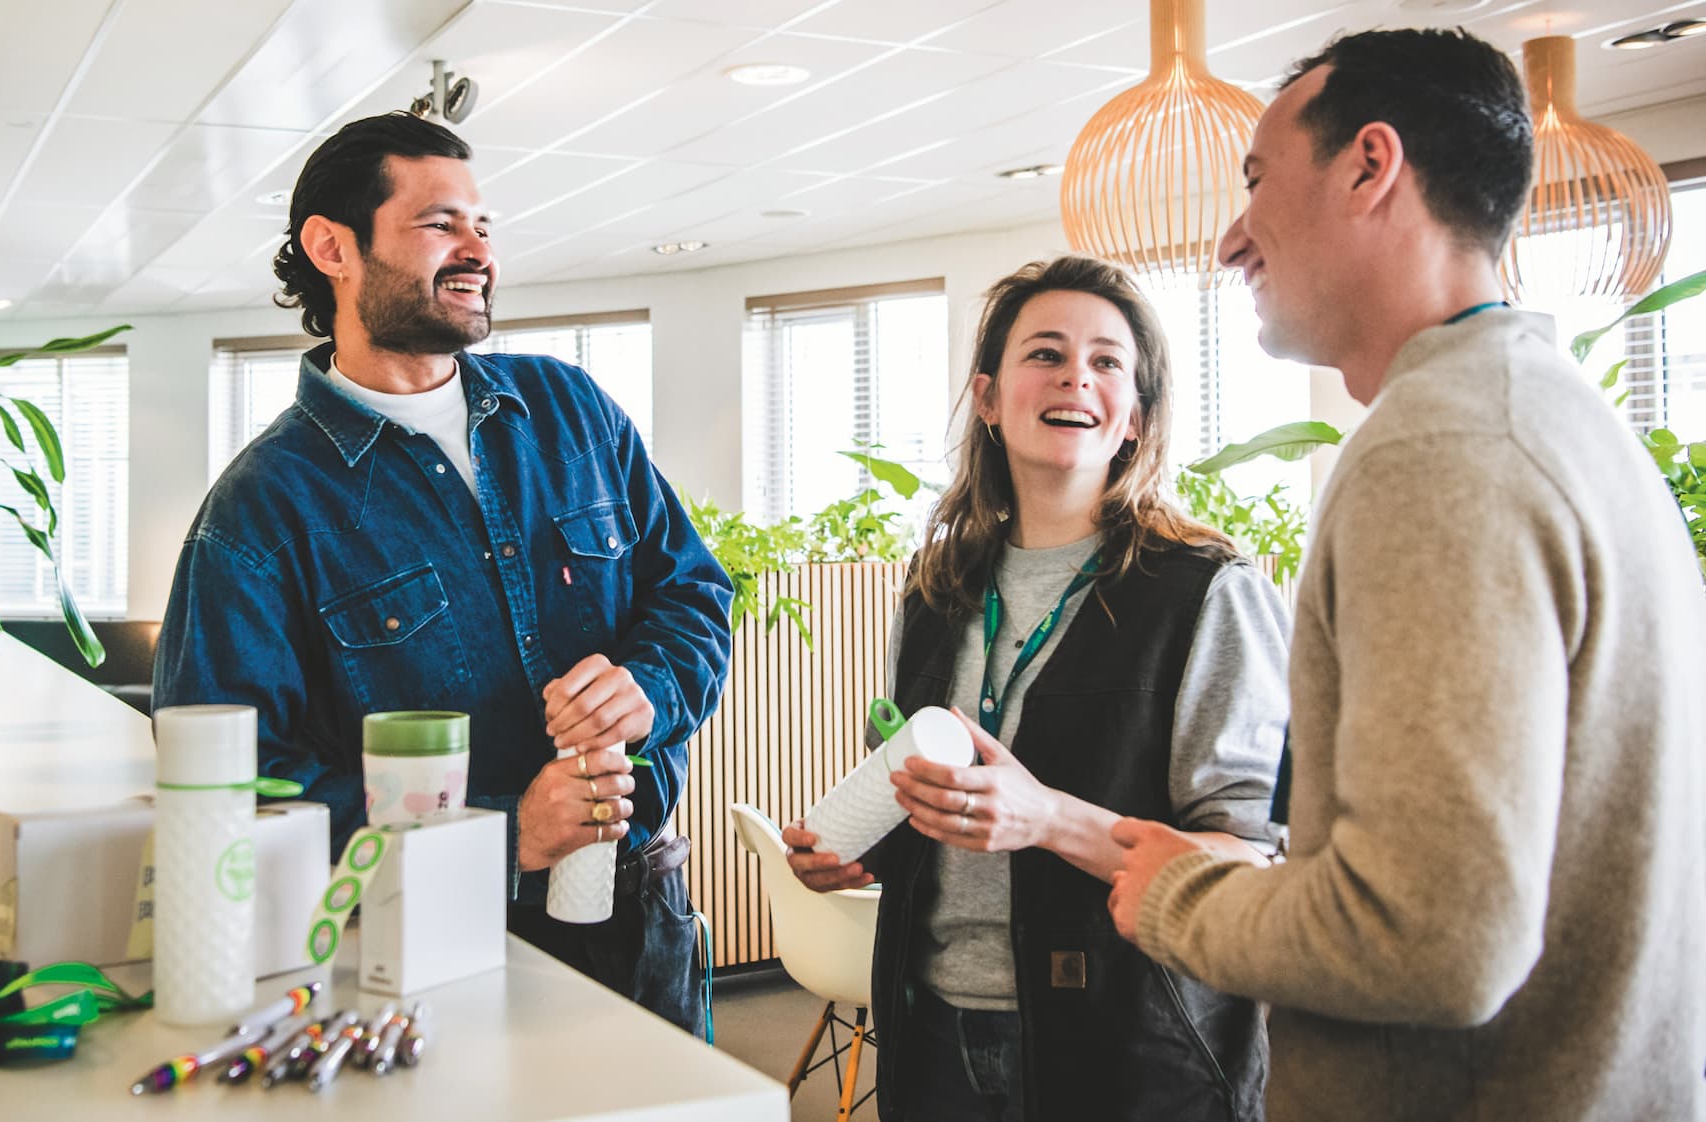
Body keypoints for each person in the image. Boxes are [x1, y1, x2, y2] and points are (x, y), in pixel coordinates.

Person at [1106, 29, 1706, 1121]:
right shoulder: (1564, 423)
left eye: (1253, 183)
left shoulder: (1441, 451)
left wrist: (1180, 898)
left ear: (1369, 166)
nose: (1230, 242)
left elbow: (1429, 939)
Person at [152, 111, 733, 1034]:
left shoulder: (570, 409)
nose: (478, 252)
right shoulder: (262, 512)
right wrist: (501, 834)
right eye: (440, 225)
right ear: (331, 247)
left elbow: (694, 592)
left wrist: (649, 687)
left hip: (644, 911)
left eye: (484, 225)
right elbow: (237, 789)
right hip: (433, 944)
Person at [785, 254, 1289, 1121]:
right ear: (988, 397)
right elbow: (928, 795)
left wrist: (1049, 819)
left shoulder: (1207, 589)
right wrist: (869, 843)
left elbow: (1252, 861)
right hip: (933, 1030)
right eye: (1045, 354)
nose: (1075, 379)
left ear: (1134, 414)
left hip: (1129, 1048)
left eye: (1106, 362)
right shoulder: (935, 588)